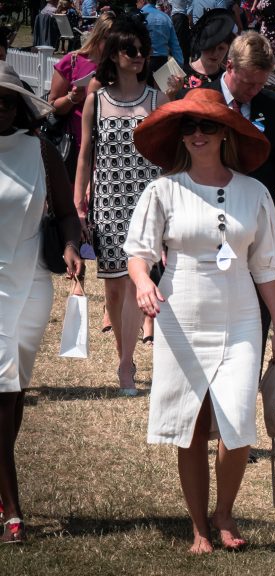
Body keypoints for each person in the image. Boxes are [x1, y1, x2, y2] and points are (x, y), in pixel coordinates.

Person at [125, 88, 275, 554]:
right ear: (180, 136)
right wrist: (144, 283)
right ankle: (199, 526)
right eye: (189, 127)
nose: (198, 134)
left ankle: (225, 512)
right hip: (181, 312)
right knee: (192, 423)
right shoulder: (162, 190)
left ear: (226, 132)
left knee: (238, 418)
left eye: (207, 126)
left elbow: (266, 267)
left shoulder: (255, 192)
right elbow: (138, 254)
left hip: (241, 315)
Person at [0, 62, 84, 545]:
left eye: (7, 100)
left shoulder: (40, 150)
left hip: (32, 282)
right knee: (1, 392)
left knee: (14, 394)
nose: (0, 108)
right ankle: (13, 513)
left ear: (18, 107)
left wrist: (72, 247)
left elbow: (69, 214)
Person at [206, 31, 275, 357]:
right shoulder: (199, 100)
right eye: (247, 83)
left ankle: (249, 373)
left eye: (260, 84)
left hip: (257, 224)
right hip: (208, 220)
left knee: (260, 310)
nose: (254, 91)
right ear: (229, 66)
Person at [74, 16, 168, 396]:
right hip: (109, 201)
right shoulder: (96, 99)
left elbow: (168, 154)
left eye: (143, 50)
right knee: (113, 289)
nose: (139, 56)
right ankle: (124, 355)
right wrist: (79, 201)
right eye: (131, 50)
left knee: (133, 284)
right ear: (113, 54)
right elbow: (84, 154)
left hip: (147, 200)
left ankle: (126, 365)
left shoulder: (158, 97)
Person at [49, 11, 115, 181]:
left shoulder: (119, 67)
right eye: (107, 39)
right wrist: (72, 98)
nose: (111, 46)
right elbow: (52, 105)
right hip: (75, 143)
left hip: (109, 145)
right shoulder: (73, 60)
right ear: (97, 35)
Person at [178, 7, 234, 90]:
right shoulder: (180, 75)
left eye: (221, 48)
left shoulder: (227, 78)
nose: (215, 53)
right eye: (210, 47)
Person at [138, 0, 184, 71]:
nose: (136, 3)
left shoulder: (138, 17)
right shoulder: (166, 17)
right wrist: (180, 63)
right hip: (162, 61)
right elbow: (174, 44)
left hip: (142, 60)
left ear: (143, 1)